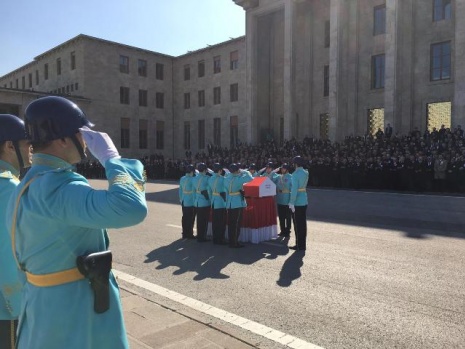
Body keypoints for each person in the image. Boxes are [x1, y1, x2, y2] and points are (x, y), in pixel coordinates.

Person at [6, 96, 147, 349]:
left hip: (42, 304)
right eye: (80, 134)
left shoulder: (26, 185)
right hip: (73, 311)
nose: (85, 141)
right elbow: (131, 207)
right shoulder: (59, 187)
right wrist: (113, 160)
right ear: (61, 139)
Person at [0, 114, 32, 349]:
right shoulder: (10, 187)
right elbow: (8, 253)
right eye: (26, 143)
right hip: (7, 306)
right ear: (10, 146)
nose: (32, 148)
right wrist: (19, 305)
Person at [223, 163, 253, 248]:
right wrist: (244, 171)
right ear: (237, 170)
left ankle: (231, 241)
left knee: (231, 223)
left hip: (230, 202)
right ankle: (234, 243)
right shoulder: (239, 179)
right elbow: (250, 178)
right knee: (236, 224)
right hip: (237, 202)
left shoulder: (227, 178)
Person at [288, 156, 309, 251]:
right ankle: (302, 244)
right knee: (303, 224)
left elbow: (294, 190)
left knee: (297, 224)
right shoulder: (306, 172)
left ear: (295, 164)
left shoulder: (295, 174)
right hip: (304, 199)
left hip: (297, 201)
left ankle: (299, 245)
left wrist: (291, 202)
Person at [208, 163, 227, 244]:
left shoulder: (210, 179)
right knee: (221, 222)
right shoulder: (223, 179)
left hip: (214, 201)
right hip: (221, 202)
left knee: (215, 221)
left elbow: (209, 191)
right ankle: (220, 239)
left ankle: (215, 238)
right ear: (220, 170)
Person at [192, 162, 211, 242]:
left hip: (197, 201)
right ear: (205, 170)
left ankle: (199, 235)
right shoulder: (207, 178)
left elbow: (193, 191)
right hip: (205, 202)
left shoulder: (194, 178)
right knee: (204, 220)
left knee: (199, 220)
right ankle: (202, 237)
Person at [179, 164, 196, 239]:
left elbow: (180, 190)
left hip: (184, 200)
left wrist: (181, 199)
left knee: (184, 217)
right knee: (190, 218)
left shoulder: (182, 178)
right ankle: (189, 234)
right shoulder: (193, 179)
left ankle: (184, 233)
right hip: (191, 201)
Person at [276, 163, 292, 237]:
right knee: (281, 216)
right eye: (281, 169)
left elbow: (292, 189)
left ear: (287, 169)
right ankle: (282, 230)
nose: (282, 170)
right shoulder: (279, 177)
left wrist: (292, 200)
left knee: (288, 217)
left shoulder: (291, 177)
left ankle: (287, 230)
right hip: (280, 199)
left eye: (284, 169)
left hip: (287, 199)